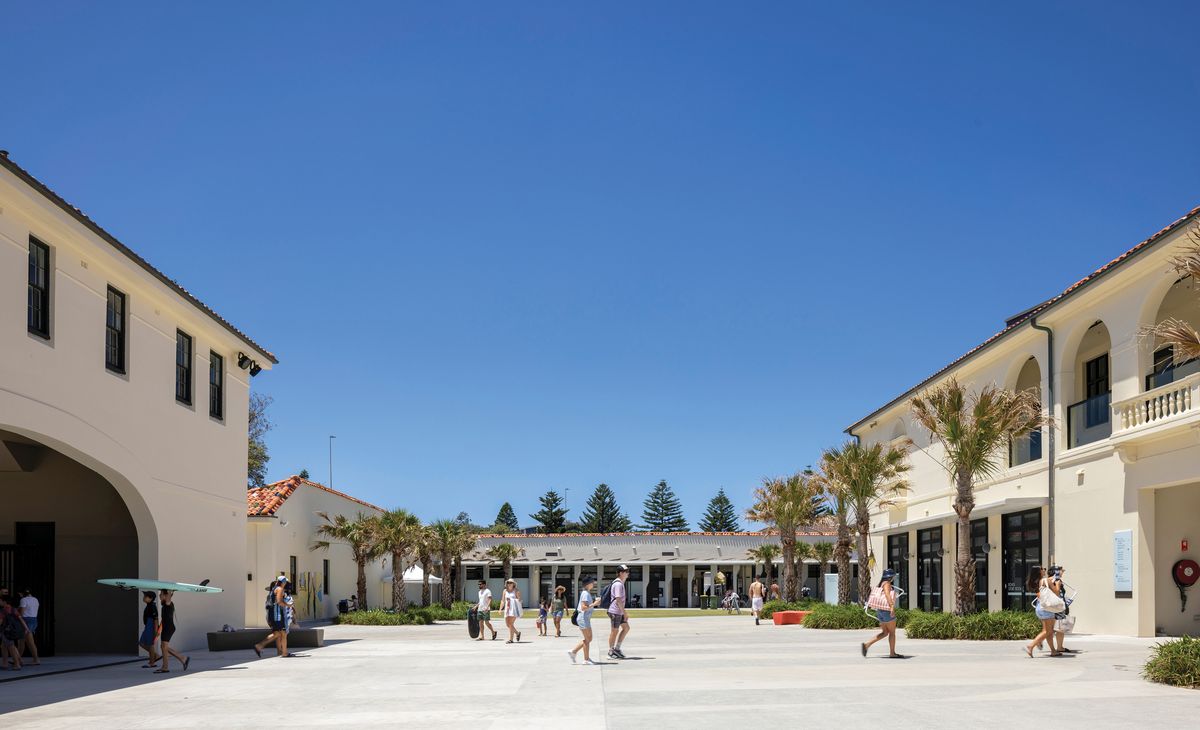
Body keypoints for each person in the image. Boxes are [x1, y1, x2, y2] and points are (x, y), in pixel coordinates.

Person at [861, 568, 902, 658]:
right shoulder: (887, 584)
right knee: (892, 633)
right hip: (887, 610)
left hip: (880, 611)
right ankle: (892, 653)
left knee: (885, 632)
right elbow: (887, 594)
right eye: (893, 576)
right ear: (890, 577)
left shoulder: (880, 584)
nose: (894, 578)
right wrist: (891, 607)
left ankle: (866, 645)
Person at [1025, 565, 1062, 658]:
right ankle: (1031, 646)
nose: (1044, 570)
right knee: (1047, 631)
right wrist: (1058, 585)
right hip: (1047, 609)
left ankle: (1053, 651)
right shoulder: (1046, 581)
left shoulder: (1037, 582)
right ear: (1039, 572)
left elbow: (1040, 596)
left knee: (1048, 631)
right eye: (1042, 569)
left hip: (1040, 608)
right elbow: (1057, 593)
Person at [254, 576, 290, 658]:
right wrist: (288, 605)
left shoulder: (273, 589)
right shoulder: (280, 589)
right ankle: (284, 653)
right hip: (278, 615)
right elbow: (279, 602)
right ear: (283, 582)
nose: (286, 584)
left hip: (272, 615)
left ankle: (259, 646)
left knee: (277, 633)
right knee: (283, 633)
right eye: (285, 582)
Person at [568, 575, 600, 665]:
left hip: (585, 618)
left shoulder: (586, 593)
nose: (593, 584)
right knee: (587, 639)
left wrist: (594, 603)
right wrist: (594, 604)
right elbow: (583, 607)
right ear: (588, 584)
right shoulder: (585, 593)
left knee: (589, 638)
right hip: (583, 618)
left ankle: (573, 652)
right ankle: (586, 659)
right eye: (592, 582)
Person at [155, 590, 190, 672]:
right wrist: (159, 631)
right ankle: (180, 660)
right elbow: (163, 620)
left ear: (166, 596)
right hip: (166, 627)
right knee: (163, 647)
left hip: (169, 628)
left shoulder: (168, 603)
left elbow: (169, 597)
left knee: (164, 647)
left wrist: (170, 590)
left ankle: (167, 666)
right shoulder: (164, 606)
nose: (159, 595)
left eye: (161, 594)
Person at [0, 594, 30, 671]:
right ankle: (5, 663)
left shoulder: (3, 610)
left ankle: (16, 664)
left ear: (4, 602)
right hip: (13, 631)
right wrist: (26, 628)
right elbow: (20, 619)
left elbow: (0, 621)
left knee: (11, 647)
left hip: (6, 631)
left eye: (0, 601)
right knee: (3, 646)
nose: (0, 602)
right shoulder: (14, 609)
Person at [607, 565, 631, 659]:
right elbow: (618, 599)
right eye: (626, 571)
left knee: (626, 628)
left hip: (618, 611)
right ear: (621, 573)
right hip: (615, 611)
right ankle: (611, 651)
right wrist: (624, 612)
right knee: (614, 631)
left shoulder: (620, 583)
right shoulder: (618, 584)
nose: (628, 573)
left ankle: (617, 649)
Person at [17, 588, 40, 666]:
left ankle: (36, 659)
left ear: (22, 594)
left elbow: (22, 612)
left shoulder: (23, 600)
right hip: (34, 619)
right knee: (22, 641)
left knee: (28, 641)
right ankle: (17, 659)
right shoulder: (35, 599)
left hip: (26, 621)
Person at [139, 591, 161, 668]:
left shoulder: (152, 606)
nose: (144, 598)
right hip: (148, 625)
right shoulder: (149, 605)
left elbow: (156, 619)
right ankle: (156, 656)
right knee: (142, 643)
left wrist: (155, 631)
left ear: (151, 598)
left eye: (145, 596)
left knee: (150, 644)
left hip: (151, 626)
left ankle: (152, 663)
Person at [500, 579, 522, 643]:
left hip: (514, 609)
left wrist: (514, 600)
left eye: (511, 582)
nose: (509, 583)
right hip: (507, 609)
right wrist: (500, 609)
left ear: (513, 584)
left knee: (510, 623)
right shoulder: (504, 591)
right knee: (507, 624)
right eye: (508, 582)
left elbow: (519, 600)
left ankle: (511, 639)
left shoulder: (516, 591)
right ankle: (517, 633)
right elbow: (503, 600)